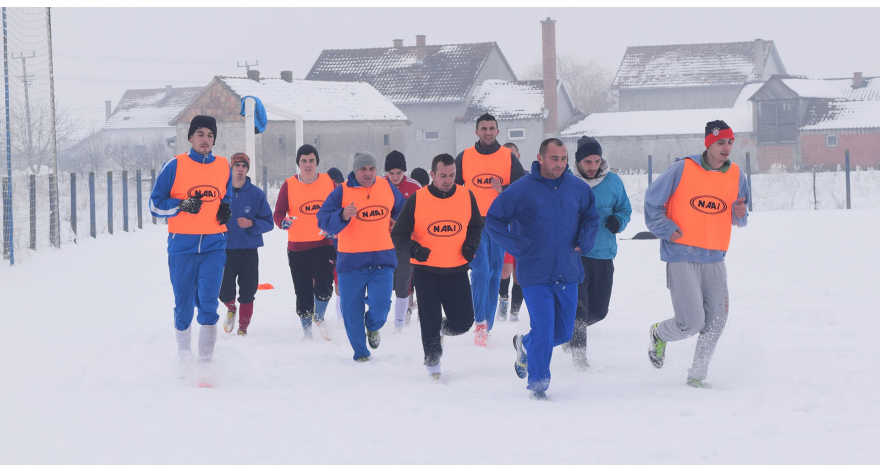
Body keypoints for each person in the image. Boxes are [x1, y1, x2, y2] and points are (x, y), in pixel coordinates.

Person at [485, 138, 598, 400]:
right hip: (535, 274)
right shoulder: (521, 190)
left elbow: (591, 216)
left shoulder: (578, 188)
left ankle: (525, 344)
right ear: (540, 158)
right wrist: (518, 245)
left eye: (563, 158)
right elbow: (494, 220)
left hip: (568, 272)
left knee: (563, 332)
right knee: (545, 331)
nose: (559, 164)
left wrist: (585, 239)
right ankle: (538, 386)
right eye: (554, 158)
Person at [644, 120, 749, 388]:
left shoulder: (738, 175)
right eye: (720, 142)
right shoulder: (682, 168)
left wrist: (740, 215)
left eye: (729, 142)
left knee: (716, 322)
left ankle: (696, 376)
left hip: (715, 257)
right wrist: (667, 229)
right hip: (681, 255)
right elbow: (652, 202)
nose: (726, 148)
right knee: (691, 323)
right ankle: (659, 334)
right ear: (708, 144)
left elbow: (741, 216)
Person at [150, 115, 232, 388]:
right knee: (183, 305)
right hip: (182, 246)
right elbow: (155, 205)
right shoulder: (174, 165)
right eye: (200, 134)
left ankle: (206, 367)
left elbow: (226, 195)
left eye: (210, 134)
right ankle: (185, 356)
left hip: (214, 244)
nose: (205, 139)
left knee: (209, 304)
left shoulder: (223, 165)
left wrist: (225, 207)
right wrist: (181, 205)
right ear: (190, 137)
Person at [391, 153, 483, 380]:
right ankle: (433, 365)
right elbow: (399, 234)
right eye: (443, 175)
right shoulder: (418, 199)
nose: (448, 180)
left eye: (452, 175)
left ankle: (442, 330)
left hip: (457, 271)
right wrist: (413, 249)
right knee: (428, 322)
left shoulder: (466, 196)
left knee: (463, 323)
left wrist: (471, 246)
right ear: (432, 175)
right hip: (426, 273)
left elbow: (475, 227)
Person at [317, 151, 405, 362]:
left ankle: (373, 326)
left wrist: (397, 222)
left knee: (382, 305)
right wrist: (342, 215)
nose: (368, 173)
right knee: (351, 312)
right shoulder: (341, 192)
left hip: (382, 260)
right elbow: (322, 220)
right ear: (355, 171)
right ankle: (361, 353)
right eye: (363, 169)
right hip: (351, 263)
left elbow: (404, 210)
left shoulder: (387, 187)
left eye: (371, 168)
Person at [455, 113, 526, 346]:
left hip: (499, 223)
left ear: (497, 131)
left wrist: (503, 187)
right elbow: (451, 190)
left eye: (491, 128)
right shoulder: (464, 157)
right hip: (473, 224)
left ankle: (488, 325)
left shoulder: (508, 157)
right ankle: (480, 322)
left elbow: (522, 189)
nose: (487, 132)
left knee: (496, 273)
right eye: (483, 128)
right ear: (476, 132)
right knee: (480, 271)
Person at [563, 136, 632, 370]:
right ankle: (579, 359)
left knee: (599, 311)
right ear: (578, 162)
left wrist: (618, 220)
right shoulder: (567, 181)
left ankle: (570, 331)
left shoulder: (613, 181)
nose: (592, 167)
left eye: (596, 161)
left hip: (604, 254)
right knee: (579, 309)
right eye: (587, 162)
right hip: (576, 255)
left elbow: (625, 209)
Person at [273, 144, 337, 341]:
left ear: (317, 162)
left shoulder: (329, 182)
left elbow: (340, 208)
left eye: (311, 160)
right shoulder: (289, 184)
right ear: (298, 163)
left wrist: (333, 227)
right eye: (304, 160)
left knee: (325, 287)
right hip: (298, 247)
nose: (308, 164)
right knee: (302, 291)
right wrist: (283, 222)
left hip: (323, 243)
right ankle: (307, 333)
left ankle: (319, 317)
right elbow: (278, 213)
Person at [219, 153, 274, 336]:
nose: (240, 169)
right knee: (224, 291)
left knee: (248, 292)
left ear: (247, 169)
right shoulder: (221, 191)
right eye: (237, 165)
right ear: (231, 168)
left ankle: (243, 329)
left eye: (244, 166)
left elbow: (269, 222)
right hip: (225, 250)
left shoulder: (256, 194)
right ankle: (231, 307)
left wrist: (252, 224)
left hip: (249, 251)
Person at [383, 150, 422, 333]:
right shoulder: (379, 185)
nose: (395, 177)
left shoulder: (414, 187)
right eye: (391, 173)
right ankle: (380, 320)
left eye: (399, 173)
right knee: (384, 283)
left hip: (406, 243)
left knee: (403, 282)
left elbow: (423, 212)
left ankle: (399, 323)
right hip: (383, 244)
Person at [497, 142, 525, 323]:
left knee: (519, 275)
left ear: (518, 156)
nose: (510, 158)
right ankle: (503, 301)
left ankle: (515, 311)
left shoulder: (526, 177)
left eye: (513, 154)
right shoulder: (496, 178)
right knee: (505, 271)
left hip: (523, 232)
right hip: (505, 231)